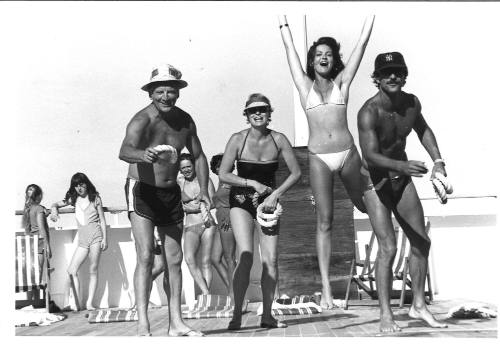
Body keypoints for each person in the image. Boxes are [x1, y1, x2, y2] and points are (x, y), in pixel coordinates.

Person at [278, 15, 374, 309]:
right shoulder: (304, 87)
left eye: (328, 55)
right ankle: (327, 290)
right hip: (319, 156)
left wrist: (370, 18)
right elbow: (289, 52)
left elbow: (361, 46)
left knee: (370, 204)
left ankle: (385, 255)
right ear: (312, 60)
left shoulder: (342, 83)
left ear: (335, 61)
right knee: (325, 221)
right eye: (318, 54)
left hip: (347, 153)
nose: (323, 58)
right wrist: (283, 22)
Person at [357, 51, 448, 332]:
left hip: (400, 176)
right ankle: (386, 314)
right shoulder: (368, 111)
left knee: (422, 242)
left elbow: (423, 130)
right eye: (386, 73)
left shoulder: (411, 103)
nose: (393, 76)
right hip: (374, 182)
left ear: (404, 75)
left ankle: (418, 306)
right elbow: (370, 155)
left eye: (398, 71)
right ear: (377, 78)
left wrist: (438, 162)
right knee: (388, 247)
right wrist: (402, 165)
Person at [118, 63, 209, 336]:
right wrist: (142, 155)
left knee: (175, 257)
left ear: (178, 92)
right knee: (145, 255)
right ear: (150, 93)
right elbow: (124, 150)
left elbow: (199, 155)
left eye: (171, 91)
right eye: (160, 91)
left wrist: (204, 189)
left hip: (170, 193)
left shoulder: (185, 121)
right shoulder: (141, 120)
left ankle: (176, 323)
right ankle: (143, 324)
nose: (165, 97)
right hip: (142, 189)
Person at [219, 93, 301, 330]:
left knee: (271, 260)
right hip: (242, 200)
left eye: (262, 110)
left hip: (268, 203)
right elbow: (224, 174)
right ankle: (236, 314)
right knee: (245, 256)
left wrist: (276, 194)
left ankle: (267, 315)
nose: (258, 114)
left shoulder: (279, 139)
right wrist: (251, 183)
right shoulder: (237, 139)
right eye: (253, 111)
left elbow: (296, 173)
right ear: (246, 115)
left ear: (269, 113)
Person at [50, 173, 107, 310]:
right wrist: (53, 210)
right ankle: (77, 303)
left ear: (87, 184)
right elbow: (56, 204)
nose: (79, 188)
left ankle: (89, 303)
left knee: (93, 269)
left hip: (96, 237)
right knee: (71, 270)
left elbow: (103, 220)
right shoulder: (73, 199)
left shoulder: (95, 198)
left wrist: (105, 238)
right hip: (83, 240)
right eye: (76, 186)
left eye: (81, 184)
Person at [178, 153, 220, 294]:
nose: (186, 170)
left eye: (188, 166)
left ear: (194, 166)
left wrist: (194, 206)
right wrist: (187, 206)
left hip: (207, 223)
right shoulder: (179, 182)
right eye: (183, 168)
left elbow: (213, 202)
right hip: (190, 225)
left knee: (206, 261)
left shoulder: (205, 180)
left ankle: (205, 297)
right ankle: (205, 291)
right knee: (189, 259)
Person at [210, 153, 236, 295]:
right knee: (215, 258)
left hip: (228, 221)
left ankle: (235, 295)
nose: (221, 168)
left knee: (230, 259)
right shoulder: (221, 182)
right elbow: (218, 202)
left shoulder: (232, 181)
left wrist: (230, 215)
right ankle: (234, 290)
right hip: (221, 221)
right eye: (219, 166)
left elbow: (240, 201)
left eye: (224, 165)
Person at [22, 184, 52, 271]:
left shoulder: (27, 208)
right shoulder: (39, 209)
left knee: (33, 271)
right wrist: (47, 246)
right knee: (39, 271)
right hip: (39, 241)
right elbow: (41, 228)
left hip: (30, 240)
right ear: (39, 196)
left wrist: (43, 209)